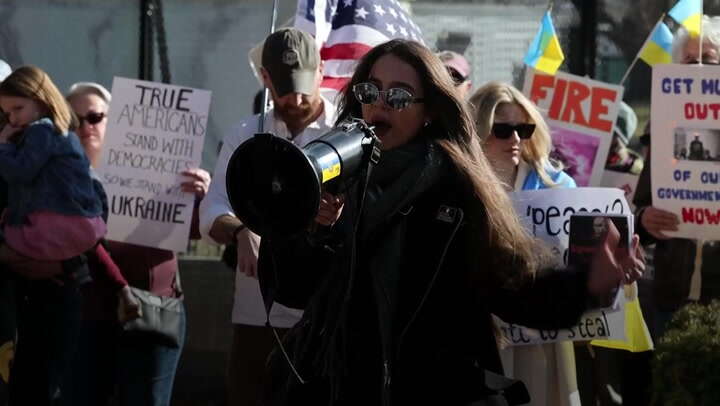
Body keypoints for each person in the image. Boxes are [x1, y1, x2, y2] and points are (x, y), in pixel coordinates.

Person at [260, 39, 643, 406]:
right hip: (341, 390)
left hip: (435, 390)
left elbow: (512, 287)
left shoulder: (458, 190)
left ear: (429, 112)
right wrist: (316, 230)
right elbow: (293, 288)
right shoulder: (333, 177)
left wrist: (586, 283)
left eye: (398, 96)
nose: (381, 104)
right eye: (370, 91)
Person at [199, 28, 336, 406]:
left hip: (324, 316)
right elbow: (211, 211)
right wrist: (241, 230)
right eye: (286, 87)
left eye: (305, 84)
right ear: (265, 79)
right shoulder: (245, 134)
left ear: (322, 71)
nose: (297, 97)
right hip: (258, 314)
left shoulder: (346, 133)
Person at [63, 81, 210, 406]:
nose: (85, 127)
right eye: (74, 121)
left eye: (94, 116)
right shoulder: (58, 178)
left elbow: (196, 231)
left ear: (115, 120)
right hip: (88, 316)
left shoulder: (158, 168)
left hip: (154, 310)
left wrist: (201, 198)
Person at [0, 66, 138, 405]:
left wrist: (70, 266)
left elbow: (82, 222)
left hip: (49, 297)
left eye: (16, 110)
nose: (12, 120)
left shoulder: (35, 140)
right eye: (6, 113)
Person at [469, 82, 578, 406]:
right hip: (488, 334)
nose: (516, 139)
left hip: (545, 334)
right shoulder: (458, 187)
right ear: (477, 131)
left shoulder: (559, 185)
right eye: (502, 129)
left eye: (523, 128)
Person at [635, 15, 720, 340]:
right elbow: (640, 208)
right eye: (689, 61)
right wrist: (645, 220)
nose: (698, 69)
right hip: (672, 296)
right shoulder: (661, 127)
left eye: (708, 61)